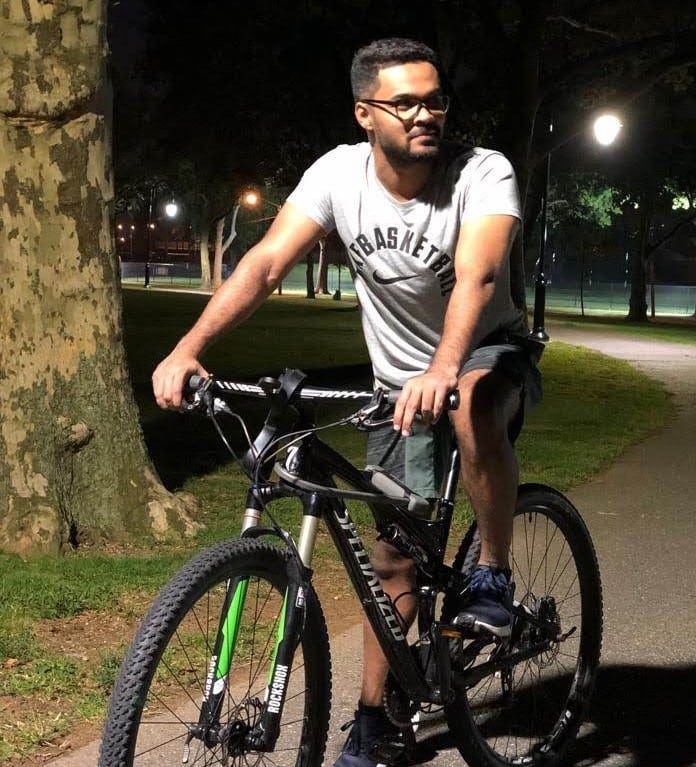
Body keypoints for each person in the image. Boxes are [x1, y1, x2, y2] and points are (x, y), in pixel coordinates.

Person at [152, 37, 541, 767]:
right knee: (392, 562)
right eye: (404, 103)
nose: (425, 114)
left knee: (469, 402)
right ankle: (378, 717)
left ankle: (491, 568)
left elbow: (478, 274)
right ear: (365, 113)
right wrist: (187, 346)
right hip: (397, 385)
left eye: (435, 100)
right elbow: (267, 261)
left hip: (485, 355)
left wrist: (444, 365)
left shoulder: (481, 172)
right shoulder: (338, 173)